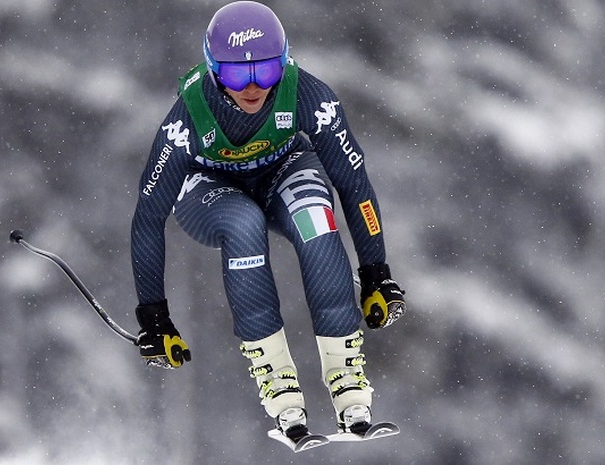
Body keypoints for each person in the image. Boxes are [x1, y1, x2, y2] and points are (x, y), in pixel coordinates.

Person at [130, 1, 405, 439]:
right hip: (208, 187)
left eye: (267, 71)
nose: (254, 87)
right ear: (214, 69)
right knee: (243, 223)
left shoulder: (310, 96)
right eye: (238, 75)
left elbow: (354, 186)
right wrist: (154, 316)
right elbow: (148, 217)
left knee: (315, 214)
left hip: (282, 168)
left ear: (286, 62)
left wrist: (376, 273)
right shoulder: (187, 118)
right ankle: (280, 387)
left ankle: (347, 382)